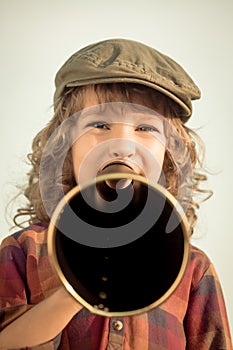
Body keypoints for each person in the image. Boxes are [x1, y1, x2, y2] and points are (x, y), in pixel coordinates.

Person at [0, 38, 232, 349]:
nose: (122, 145)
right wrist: (77, 289)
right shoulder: (22, 250)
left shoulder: (192, 269)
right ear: (65, 146)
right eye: (99, 124)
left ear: (169, 153)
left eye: (146, 128)